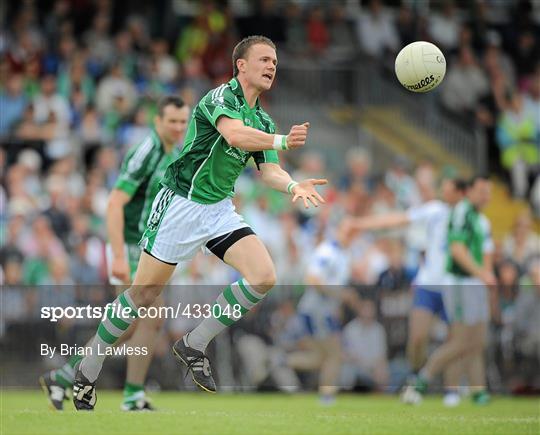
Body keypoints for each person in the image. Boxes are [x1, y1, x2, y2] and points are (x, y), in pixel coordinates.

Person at [72, 35, 327, 410]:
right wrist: (284, 139)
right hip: (179, 204)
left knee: (264, 276)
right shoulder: (219, 99)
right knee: (142, 295)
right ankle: (86, 368)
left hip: (218, 209)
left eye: (274, 60)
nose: (272, 66)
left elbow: (269, 170)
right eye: (264, 59)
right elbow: (234, 134)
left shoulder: (263, 118)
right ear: (241, 65)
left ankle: (194, 344)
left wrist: (291, 184)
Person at [40, 96, 189, 411]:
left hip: (149, 247)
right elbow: (114, 203)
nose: (178, 127)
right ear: (157, 121)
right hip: (130, 246)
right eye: (172, 121)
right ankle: (112, 389)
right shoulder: (146, 152)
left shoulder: (172, 152)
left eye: (182, 121)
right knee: (142, 320)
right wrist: (119, 255)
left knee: (140, 323)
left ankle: (70, 377)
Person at [352, 178, 466, 394]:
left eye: (448, 187)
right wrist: (360, 224)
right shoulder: (435, 210)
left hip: (454, 286)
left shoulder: (468, 217)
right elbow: (399, 219)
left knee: (453, 341)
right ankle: (416, 377)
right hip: (428, 284)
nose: (443, 191)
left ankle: (451, 392)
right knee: (417, 338)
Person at [402, 175, 496, 405]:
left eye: (489, 192)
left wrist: (486, 276)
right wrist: (482, 273)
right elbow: (457, 250)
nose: (487, 197)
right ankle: (422, 381)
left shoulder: (481, 219)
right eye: (482, 191)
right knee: (461, 341)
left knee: (477, 342)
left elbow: (486, 253)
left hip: (475, 285)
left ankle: (478, 391)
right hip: (460, 283)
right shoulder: (461, 214)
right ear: (469, 192)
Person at [287, 218, 359, 405]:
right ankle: (327, 397)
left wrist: (337, 302)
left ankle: (283, 362)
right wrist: (340, 294)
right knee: (334, 354)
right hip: (316, 310)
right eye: (346, 231)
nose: (349, 236)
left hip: (321, 311)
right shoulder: (327, 251)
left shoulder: (343, 254)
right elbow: (312, 279)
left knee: (320, 358)